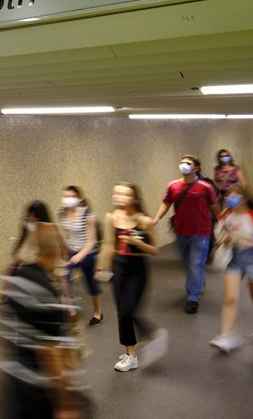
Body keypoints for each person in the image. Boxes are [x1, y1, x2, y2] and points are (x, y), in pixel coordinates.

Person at [0, 201, 114, 419]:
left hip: (17, 388)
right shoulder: (47, 295)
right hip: (45, 393)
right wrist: (66, 404)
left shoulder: (16, 278)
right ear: (56, 250)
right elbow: (52, 352)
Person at [98, 183, 163, 372]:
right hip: (119, 267)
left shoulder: (144, 221)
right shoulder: (111, 217)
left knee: (129, 311)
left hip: (137, 269)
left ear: (134, 198)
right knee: (122, 312)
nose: (119, 197)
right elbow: (108, 245)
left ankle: (151, 333)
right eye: (116, 193)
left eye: (125, 194)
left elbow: (154, 250)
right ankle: (131, 354)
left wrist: (136, 242)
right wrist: (101, 267)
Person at [153, 155, 219, 314]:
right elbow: (166, 203)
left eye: (188, 163)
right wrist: (156, 218)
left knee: (195, 264)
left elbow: (215, 207)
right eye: (182, 162)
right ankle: (198, 278)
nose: (183, 165)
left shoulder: (206, 187)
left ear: (196, 168)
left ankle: (193, 297)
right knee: (186, 263)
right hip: (181, 231)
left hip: (201, 232)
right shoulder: (173, 186)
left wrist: (223, 224)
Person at [209, 185, 253, 352]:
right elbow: (218, 239)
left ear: (245, 198)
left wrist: (243, 238)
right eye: (228, 196)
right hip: (233, 258)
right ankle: (226, 336)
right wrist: (223, 240)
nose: (230, 199)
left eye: (234, 196)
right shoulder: (225, 215)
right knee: (230, 298)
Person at [58, 186, 103, 325]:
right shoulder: (62, 213)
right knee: (63, 278)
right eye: (66, 196)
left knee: (91, 283)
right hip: (70, 252)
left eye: (72, 196)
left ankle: (98, 312)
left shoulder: (87, 215)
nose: (68, 199)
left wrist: (81, 255)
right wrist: (63, 251)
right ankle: (70, 311)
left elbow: (92, 240)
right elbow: (64, 233)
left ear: (78, 198)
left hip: (87, 252)